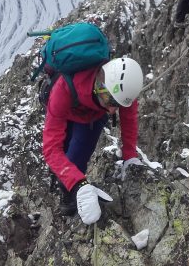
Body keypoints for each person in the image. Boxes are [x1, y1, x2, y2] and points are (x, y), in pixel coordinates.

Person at [42, 57, 144, 225]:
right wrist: (78, 184)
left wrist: (130, 157)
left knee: (75, 159)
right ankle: (69, 192)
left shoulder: (122, 87)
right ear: (99, 86)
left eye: (118, 105)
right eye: (110, 101)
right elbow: (51, 149)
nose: (112, 110)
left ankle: (70, 197)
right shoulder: (63, 88)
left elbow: (129, 121)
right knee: (65, 159)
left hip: (91, 117)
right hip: (66, 108)